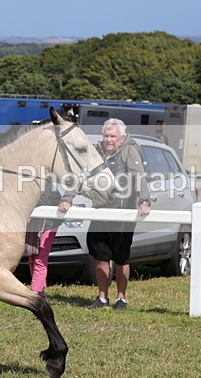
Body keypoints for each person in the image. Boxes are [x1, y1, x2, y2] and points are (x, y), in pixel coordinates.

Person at [77, 118, 151, 311]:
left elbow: (139, 177)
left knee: (121, 257)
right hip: (101, 211)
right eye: (106, 135)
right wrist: (67, 197)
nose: (108, 139)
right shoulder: (96, 150)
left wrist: (144, 201)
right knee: (100, 256)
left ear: (122, 137)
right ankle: (102, 298)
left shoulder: (130, 150)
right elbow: (81, 174)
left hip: (122, 213)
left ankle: (121, 298)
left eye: (113, 136)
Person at [25, 179, 72, 299]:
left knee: (40, 258)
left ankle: (35, 293)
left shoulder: (47, 187)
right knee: (32, 257)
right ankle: (40, 292)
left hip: (50, 223)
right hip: (36, 222)